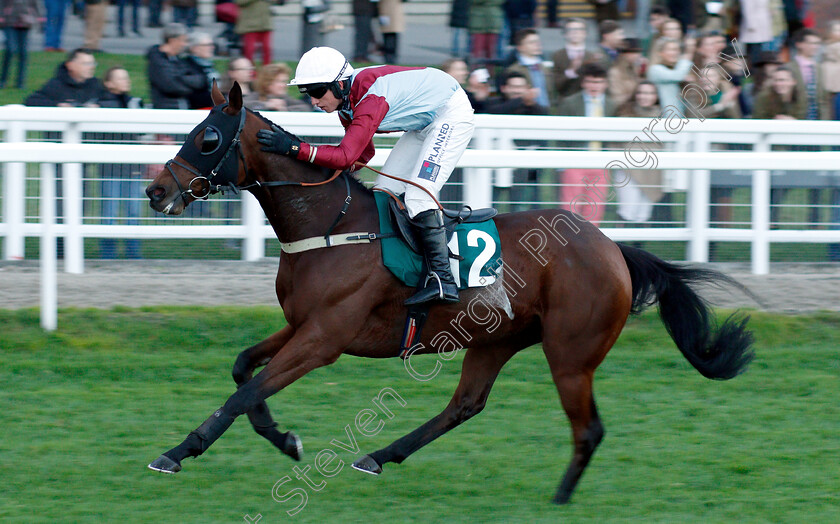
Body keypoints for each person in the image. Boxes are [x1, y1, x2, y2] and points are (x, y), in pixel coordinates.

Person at [256, 47, 475, 306]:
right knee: (384, 192)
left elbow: (347, 156)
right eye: (307, 94)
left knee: (418, 196)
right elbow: (363, 155)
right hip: (423, 123)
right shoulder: (346, 104)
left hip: (450, 114)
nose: (313, 101)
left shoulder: (369, 98)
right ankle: (402, 268)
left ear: (338, 84)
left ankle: (443, 280)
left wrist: (293, 148)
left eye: (317, 92)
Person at [557, 62, 615, 226]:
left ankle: (588, 248)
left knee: (594, 208)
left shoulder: (612, 105)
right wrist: (562, 163)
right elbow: (561, 134)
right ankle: (568, 247)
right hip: (575, 161)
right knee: (570, 208)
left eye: (598, 82)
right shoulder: (569, 102)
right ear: (583, 83)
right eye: (590, 81)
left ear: (605, 84)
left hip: (601, 163)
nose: (593, 86)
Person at [97, 66, 144, 259]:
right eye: (121, 78)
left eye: (126, 77)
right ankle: (108, 255)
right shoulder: (100, 104)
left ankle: (133, 254)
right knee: (110, 212)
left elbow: (141, 131)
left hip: (132, 167)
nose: (127, 81)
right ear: (109, 83)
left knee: (133, 211)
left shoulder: (134, 102)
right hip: (111, 167)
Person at [615, 80, 663, 224]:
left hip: (652, 170)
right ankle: (619, 246)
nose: (645, 96)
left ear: (656, 96)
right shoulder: (625, 113)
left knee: (643, 214)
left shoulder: (663, 116)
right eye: (641, 92)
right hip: (628, 169)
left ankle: (638, 245)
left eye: (649, 93)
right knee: (627, 210)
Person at [146, 23, 207, 109]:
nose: (185, 44)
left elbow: (200, 80)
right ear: (173, 41)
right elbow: (172, 87)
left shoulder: (179, 59)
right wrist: (190, 87)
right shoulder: (157, 61)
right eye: (183, 41)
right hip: (167, 111)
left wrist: (180, 78)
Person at [25, 48, 104, 106]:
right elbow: (31, 101)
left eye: (93, 64)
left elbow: (112, 101)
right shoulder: (56, 85)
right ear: (70, 65)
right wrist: (58, 105)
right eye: (86, 64)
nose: (91, 67)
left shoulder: (97, 85)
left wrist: (99, 105)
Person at [551, 18, 602, 102]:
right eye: (571, 30)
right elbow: (556, 85)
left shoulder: (592, 56)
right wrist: (571, 71)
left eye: (579, 29)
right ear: (565, 33)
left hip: (589, 101)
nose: (575, 32)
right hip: (565, 101)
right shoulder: (557, 56)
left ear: (585, 33)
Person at [503, 28, 551, 109]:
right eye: (532, 42)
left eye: (538, 42)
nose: (537, 45)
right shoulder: (513, 70)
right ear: (520, 47)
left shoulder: (546, 68)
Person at [647, 37, 695, 112]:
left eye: (676, 50)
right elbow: (678, 76)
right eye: (670, 50)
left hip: (680, 115)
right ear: (660, 52)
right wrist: (686, 58)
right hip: (664, 116)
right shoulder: (655, 69)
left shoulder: (677, 68)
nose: (674, 53)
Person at [0, 0, 40, 89]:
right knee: (11, 50)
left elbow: (34, 4)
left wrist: (38, 18)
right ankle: (3, 80)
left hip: (25, 22)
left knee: (23, 53)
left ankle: (20, 82)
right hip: (9, 21)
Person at [184, 32, 221, 109]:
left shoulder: (208, 65)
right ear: (194, 48)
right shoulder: (187, 66)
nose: (212, 47)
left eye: (212, 44)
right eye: (207, 45)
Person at [608, 38, 646, 107]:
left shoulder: (635, 68)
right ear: (624, 54)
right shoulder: (615, 72)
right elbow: (617, 99)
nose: (638, 56)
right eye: (634, 52)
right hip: (624, 111)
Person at [236, 0, 272, 66]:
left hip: (265, 24)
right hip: (249, 26)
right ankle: (250, 71)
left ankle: (267, 71)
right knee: (250, 51)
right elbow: (239, 2)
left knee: (267, 49)